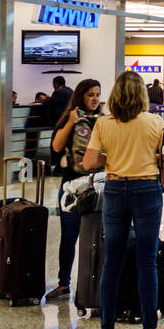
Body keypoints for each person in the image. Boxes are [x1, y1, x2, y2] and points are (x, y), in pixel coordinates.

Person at [81, 71, 164, 329]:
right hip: (146, 189)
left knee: (112, 260)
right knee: (146, 260)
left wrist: (111, 154)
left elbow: (88, 162)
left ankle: (107, 328)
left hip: (115, 188)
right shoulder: (155, 122)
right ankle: (149, 325)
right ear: (142, 95)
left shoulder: (103, 124)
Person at [44, 79, 103, 301]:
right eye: (90, 95)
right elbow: (57, 147)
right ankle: (63, 283)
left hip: (97, 185)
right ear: (80, 96)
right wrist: (70, 122)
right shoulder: (69, 120)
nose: (95, 99)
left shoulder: (103, 121)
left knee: (97, 238)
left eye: (97, 94)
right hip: (72, 186)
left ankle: (93, 285)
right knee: (69, 236)